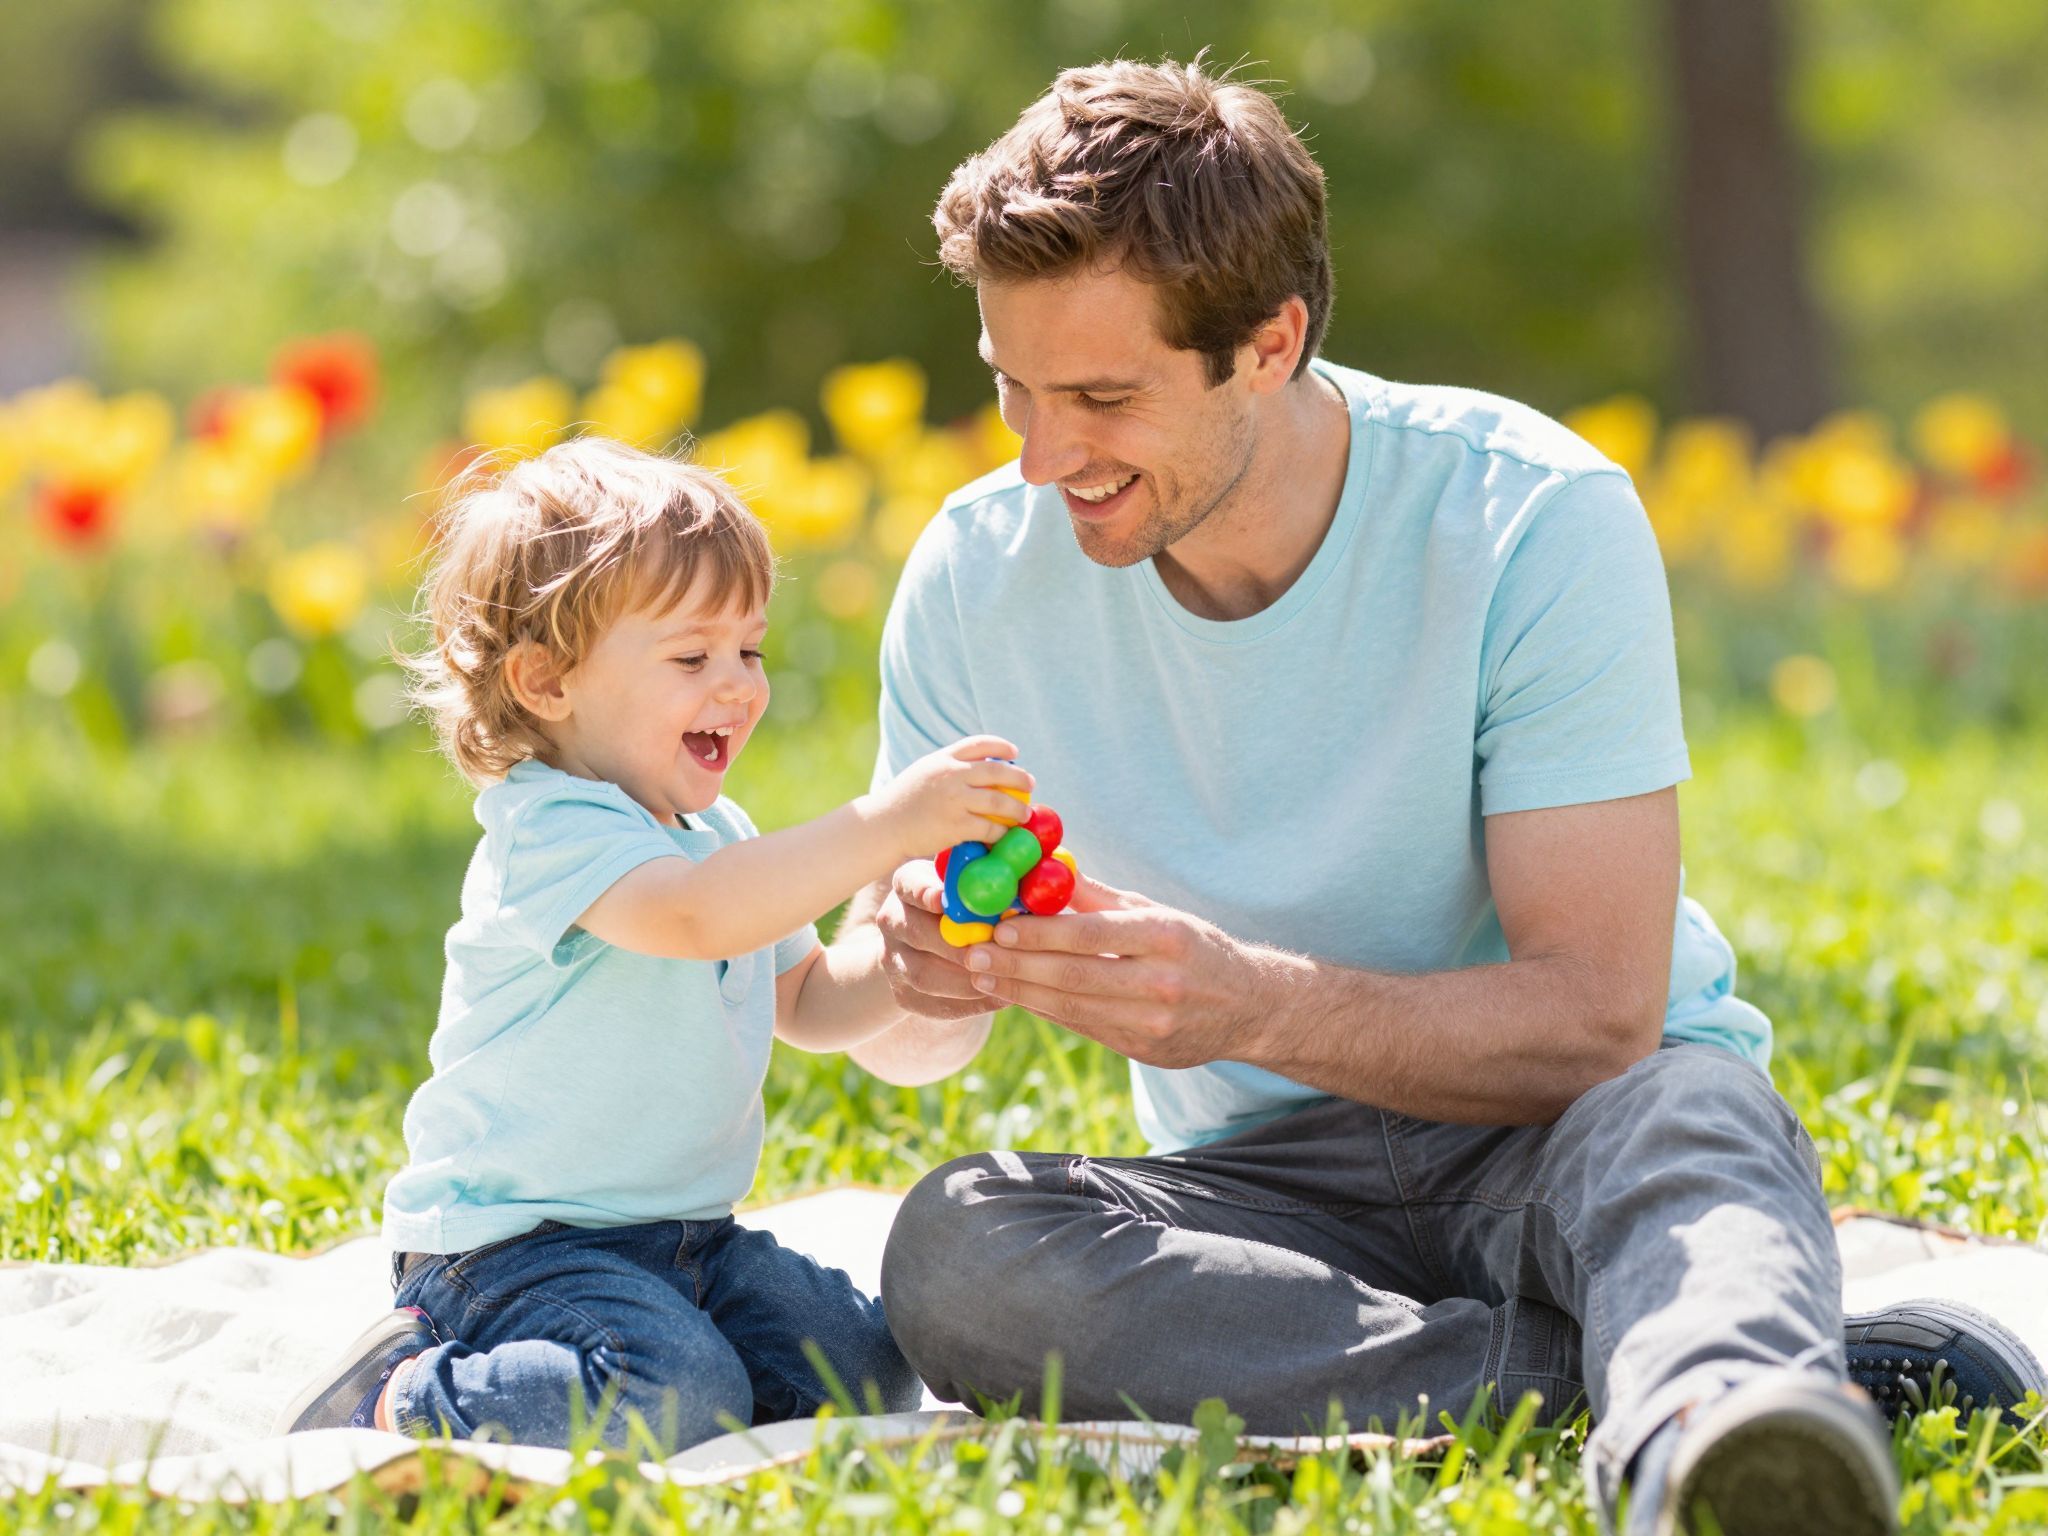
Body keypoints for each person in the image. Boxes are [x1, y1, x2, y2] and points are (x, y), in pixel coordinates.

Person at [839, 58, 2045, 1536]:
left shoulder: (1529, 519)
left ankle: (1711, 1435)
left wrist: (1246, 1005)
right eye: (1012, 388)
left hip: (1571, 1127)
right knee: (964, 1249)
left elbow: (1601, 1014)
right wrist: (923, 972)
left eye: (1102, 397)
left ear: (1269, 342)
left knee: (1691, 1118)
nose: (1040, 457)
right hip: (1263, 1185)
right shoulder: (975, 577)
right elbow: (899, 1039)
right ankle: (1692, 1381)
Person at [276, 436, 1036, 1452]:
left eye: (749, 650)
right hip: (512, 1248)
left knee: (862, 1372)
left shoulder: (716, 838)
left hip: (685, 1238)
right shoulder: (550, 828)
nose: (740, 686)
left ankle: (655, 1360)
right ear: (546, 681)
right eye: (692, 657)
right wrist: (886, 822)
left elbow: (807, 1000)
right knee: (668, 1397)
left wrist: (914, 948)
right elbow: (694, 918)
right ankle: (400, 1391)